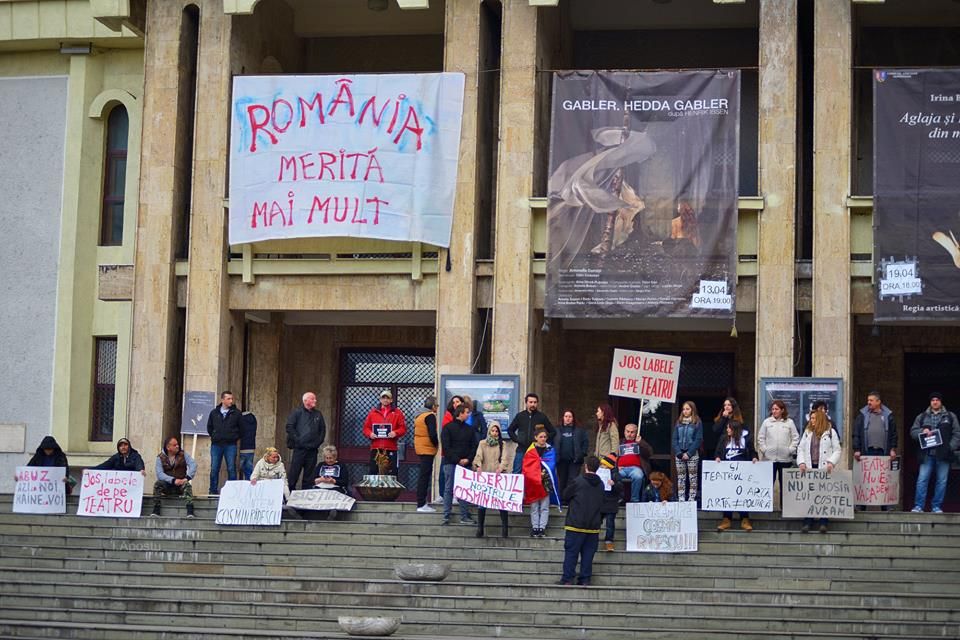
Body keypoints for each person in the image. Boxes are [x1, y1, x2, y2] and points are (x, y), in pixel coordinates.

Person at [910, 392, 960, 513]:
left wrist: (950, 447)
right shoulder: (922, 416)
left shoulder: (950, 416)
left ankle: (936, 506)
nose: (935, 402)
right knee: (922, 480)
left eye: (937, 400)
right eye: (933, 400)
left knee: (941, 481)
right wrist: (922, 431)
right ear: (930, 402)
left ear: (941, 401)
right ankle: (919, 506)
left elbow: (957, 433)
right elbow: (913, 432)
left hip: (943, 455)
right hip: (927, 454)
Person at [558, 455, 604, 587]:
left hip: (575, 524)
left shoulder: (578, 481)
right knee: (588, 555)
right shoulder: (601, 485)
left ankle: (567, 579)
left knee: (571, 553)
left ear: (586, 466)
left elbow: (565, 495)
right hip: (593, 526)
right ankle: (585, 579)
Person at [797, 409, 842, 532]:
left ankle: (823, 522)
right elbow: (800, 449)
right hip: (810, 468)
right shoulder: (807, 433)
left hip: (824, 469)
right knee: (810, 494)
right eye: (811, 418)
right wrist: (801, 462)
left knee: (824, 495)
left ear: (820, 419)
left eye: (814, 418)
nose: (811, 421)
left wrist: (831, 462)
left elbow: (837, 449)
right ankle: (807, 521)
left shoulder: (830, 432)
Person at [714, 419, 757, 532]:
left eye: (729, 428)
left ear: (735, 429)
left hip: (742, 474)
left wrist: (754, 457)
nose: (727, 429)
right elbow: (718, 452)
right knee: (727, 495)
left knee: (742, 494)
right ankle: (726, 519)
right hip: (727, 474)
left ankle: (745, 519)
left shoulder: (745, 440)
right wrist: (717, 458)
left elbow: (752, 451)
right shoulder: (724, 439)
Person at [472, 422, 514, 538]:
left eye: (497, 431)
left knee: (501, 502)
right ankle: (480, 528)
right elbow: (478, 456)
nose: (495, 433)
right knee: (482, 503)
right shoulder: (482, 443)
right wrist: (478, 465)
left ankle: (504, 528)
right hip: (485, 476)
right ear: (489, 431)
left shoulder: (503, 444)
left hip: (498, 477)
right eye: (493, 431)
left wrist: (500, 469)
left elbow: (505, 458)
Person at [440, 403, 477, 526]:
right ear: (460, 413)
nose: (468, 414)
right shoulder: (448, 428)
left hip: (464, 463)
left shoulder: (469, 429)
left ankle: (464, 515)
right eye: (467, 412)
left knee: (464, 490)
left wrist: (468, 459)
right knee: (449, 489)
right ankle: (446, 515)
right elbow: (446, 447)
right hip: (451, 463)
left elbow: (474, 446)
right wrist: (459, 460)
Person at [757, 400, 799, 505]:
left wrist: (790, 450)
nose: (774, 411)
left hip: (785, 459)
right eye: (772, 409)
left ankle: (784, 507)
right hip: (769, 460)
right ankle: (766, 505)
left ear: (782, 410)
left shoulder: (789, 422)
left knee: (784, 484)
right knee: (767, 483)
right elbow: (760, 438)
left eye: (776, 409)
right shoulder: (767, 422)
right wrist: (764, 450)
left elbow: (795, 438)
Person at [285, 391, 327, 491]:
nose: (315, 400)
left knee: (309, 475)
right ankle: (289, 494)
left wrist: (318, 442)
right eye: (313, 399)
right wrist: (298, 440)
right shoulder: (297, 412)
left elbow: (322, 430)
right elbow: (289, 427)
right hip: (299, 449)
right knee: (294, 473)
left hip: (312, 449)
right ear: (305, 400)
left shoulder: (318, 414)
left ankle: (306, 495)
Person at [522, 427, 560, 537]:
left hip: (546, 482)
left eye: (545, 437)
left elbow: (551, 465)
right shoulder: (530, 451)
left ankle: (542, 527)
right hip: (533, 482)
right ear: (536, 438)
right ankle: (535, 527)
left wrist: (543, 474)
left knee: (544, 505)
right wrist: (535, 474)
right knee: (534, 506)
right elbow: (526, 466)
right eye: (541, 437)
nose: (543, 439)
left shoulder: (550, 450)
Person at [362, 390, 406, 476]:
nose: (385, 400)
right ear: (380, 399)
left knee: (392, 473)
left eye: (387, 398)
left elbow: (403, 428)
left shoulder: (397, 413)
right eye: (383, 398)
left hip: (391, 447)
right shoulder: (373, 413)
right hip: (376, 448)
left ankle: (390, 490)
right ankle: (374, 490)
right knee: (373, 472)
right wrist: (370, 434)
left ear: (391, 400)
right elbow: (366, 428)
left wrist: (395, 433)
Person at [508, 393, 555, 474]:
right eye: (531, 402)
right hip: (522, 450)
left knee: (535, 473)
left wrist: (543, 439)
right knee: (517, 472)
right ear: (526, 403)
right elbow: (510, 430)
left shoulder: (542, 417)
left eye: (535, 402)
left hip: (536, 451)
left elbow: (553, 432)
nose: (533, 404)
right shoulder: (520, 416)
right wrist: (517, 439)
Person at [151, 436, 196, 518]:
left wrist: (187, 478)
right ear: (168, 447)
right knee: (158, 484)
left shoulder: (183, 454)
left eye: (177, 444)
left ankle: (190, 511)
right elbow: (159, 474)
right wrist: (173, 480)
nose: (177, 446)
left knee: (187, 485)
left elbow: (193, 464)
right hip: (167, 485)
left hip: (180, 485)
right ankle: (156, 510)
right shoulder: (160, 458)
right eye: (175, 445)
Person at [207, 390, 240, 496]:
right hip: (216, 444)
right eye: (228, 399)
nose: (231, 401)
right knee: (214, 468)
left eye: (231, 399)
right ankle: (212, 490)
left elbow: (241, 429)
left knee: (231, 468)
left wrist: (234, 437)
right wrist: (215, 436)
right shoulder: (214, 413)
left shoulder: (236, 413)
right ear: (222, 400)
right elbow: (209, 427)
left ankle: (232, 491)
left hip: (230, 444)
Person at [554, 409, 589, 502]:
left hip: (575, 461)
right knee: (562, 480)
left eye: (570, 416)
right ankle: (562, 500)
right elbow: (552, 442)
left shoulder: (579, 430)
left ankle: (570, 499)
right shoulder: (557, 430)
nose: (568, 418)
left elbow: (585, 442)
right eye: (566, 416)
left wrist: (582, 453)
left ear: (573, 418)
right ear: (563, 418)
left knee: (572, 480)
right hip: (561, 460)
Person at [672, 400, 703, 502]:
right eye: (683, 409)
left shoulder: (697, 422)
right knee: (681, 478)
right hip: (679, 454)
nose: (685, 411)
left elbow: (698, 439)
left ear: (692, 410)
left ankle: (691, 499)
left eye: (687, 409)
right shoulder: (678, 422)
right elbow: (674, 439)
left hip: (692, 454)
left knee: (692, 478)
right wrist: (679, 453)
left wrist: (689, 453)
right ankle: (681, 498)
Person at [413, 395, 440, 513]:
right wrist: (436, 444)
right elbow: (432, 434)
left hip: (420, 447)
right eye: (437, 405)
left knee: (423, 475)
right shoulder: (430, 416)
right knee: (425, 476)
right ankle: (421, 503)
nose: (437, 408)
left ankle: (421, 502)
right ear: (433, 406)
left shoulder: (419, 415)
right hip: (427, 448)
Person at [617, 423, 653, 503]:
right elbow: (614, 456)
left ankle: (634, 500)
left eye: (632, 432)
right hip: (621, 468)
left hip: (635, 468)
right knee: (614, 476)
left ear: (636, 433)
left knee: (638, 476)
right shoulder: (620, 442)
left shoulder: (640, 442)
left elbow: (649, 453)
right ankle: (619, 498)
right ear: (624, 432)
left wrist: (640, 443)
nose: (629, 434)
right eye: (628, 431)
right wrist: (616, 467)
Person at [313, 445, 350, 520]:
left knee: (333, 493)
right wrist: (320, 479)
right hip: (321, 486)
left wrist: (333, 481)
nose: (329, 460)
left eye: (331, 458)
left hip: (335, 487)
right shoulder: (320, 465)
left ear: (335, 457)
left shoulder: (341, 466)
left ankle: (331, 512)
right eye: (327, 458)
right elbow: (313, 479)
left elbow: (345, 481)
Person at [598, 453, 621, 552]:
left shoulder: (616, 475)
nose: (602, 466)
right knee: (596, 521)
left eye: (604, 465)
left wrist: (614, 484)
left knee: (610, 523)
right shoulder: (598, 472)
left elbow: (620, 488)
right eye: (602, 465)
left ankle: (609, 541)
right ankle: (593, 538)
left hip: (611, 502)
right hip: (600, 501)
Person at [238, 410, 258, 480]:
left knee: (237, 469)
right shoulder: (253, 418)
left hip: (242, 448)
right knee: (249, 470)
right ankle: (249, 486)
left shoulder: (241, 419)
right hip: (251, 447)